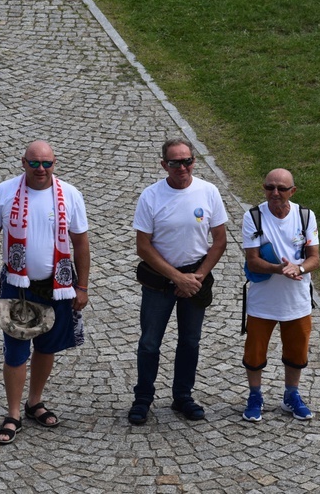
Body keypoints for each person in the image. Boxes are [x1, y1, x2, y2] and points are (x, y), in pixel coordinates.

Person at [0, 140, 90, 445]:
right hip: (17, 285)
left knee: (47, 348)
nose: (41, 169)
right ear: (23, 163)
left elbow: (80, 243)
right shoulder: (4, 192)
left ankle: (34, 402)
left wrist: (82, 286)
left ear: (55, 164)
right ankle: (13, 413)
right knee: (15, 352)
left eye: (47, 164)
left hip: (58, 286)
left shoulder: (70, 194)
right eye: (35, 163)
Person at [128, 138, 228, 425]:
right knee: (149, 343)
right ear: (164, 165)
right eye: (175, 162)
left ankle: (182, 395)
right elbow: (143, 246)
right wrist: (177, 278)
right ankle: (143, 397)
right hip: (160, 281)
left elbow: (220, 240)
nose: (182, 167)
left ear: (194, 161)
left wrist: (197, 276)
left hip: (195, 277)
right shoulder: (151, 196)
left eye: (187, 161)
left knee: (190, 341)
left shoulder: (208, 192)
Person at [241, 168, 320, 422]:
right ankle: (255, 395)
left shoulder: (305, 216)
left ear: (292, 191)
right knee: (255, 353)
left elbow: (315, 258)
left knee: (297, 352)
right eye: (269, 187)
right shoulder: (253, 217)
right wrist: (280, 269)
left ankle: (291, 395)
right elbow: (252, 262)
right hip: (263, 301)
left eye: (281, 188)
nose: (275, 193)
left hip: (297, 301)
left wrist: (299, 268)